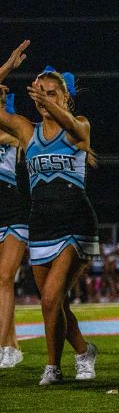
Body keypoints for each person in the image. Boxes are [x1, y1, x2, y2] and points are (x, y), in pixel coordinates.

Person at [0, 41, 100, 385]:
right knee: (55, 303)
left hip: (75, 221)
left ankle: (52, 366)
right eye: (39, 93)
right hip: (41, 223)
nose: (43, 97)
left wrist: (50, 106)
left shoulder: (78, 126)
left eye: (52, 92)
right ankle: (83, 352)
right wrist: (7, 68)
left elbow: (74, 125)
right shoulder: (27, 131)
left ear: (65, 97)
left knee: (50, 297)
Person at [0, 77, 29, 369]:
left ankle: (3, 348)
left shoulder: (16, 132)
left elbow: (15, 137)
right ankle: (12, 344)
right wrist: (7, 66)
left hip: (12, 207)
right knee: (0, 283)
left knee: (5, 277)